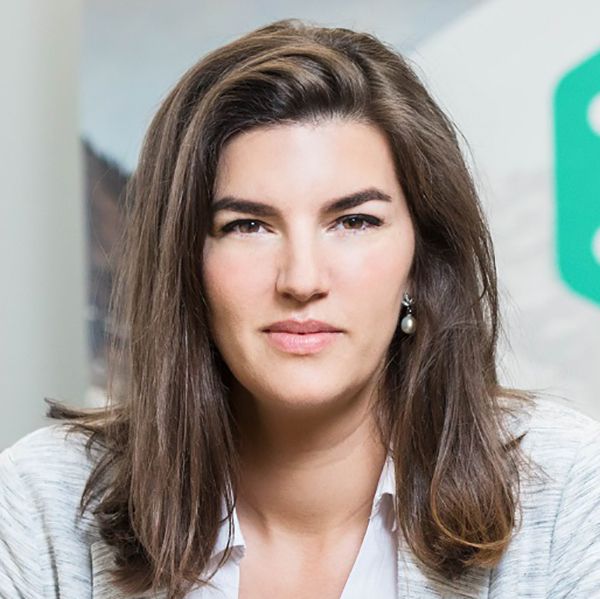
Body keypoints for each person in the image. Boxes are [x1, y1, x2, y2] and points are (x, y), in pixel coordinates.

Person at [1, 17, 599, 599]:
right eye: (248, 225)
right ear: (185, 262)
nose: (302, 280)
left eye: (354, 221)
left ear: (421, 259)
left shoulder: (568, 489)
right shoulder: (42, 504)